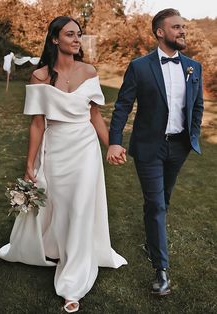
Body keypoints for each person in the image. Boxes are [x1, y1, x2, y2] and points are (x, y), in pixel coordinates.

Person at [0, 16, 127, 313]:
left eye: (79, 34)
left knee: (80, 208)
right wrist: (29, 164)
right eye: (70, 34)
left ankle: (73, 281)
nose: (77, 39)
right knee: (58, 204)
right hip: (55, 149)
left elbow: (95, 116)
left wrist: (113, 144)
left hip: (85, 149)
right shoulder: (39, 76)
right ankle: (54, 248)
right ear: (55, 39)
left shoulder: (89, 71)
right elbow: (37, 125)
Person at [107, 8, 203, 296]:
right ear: (160, 32)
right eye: (176, 27)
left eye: (183, 27)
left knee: (162, 200)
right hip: (148, 146)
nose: (182, 31)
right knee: (158, 204)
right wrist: (114, 141)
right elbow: (123, 105)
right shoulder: (139, 66)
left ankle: (153, 237)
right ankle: (161, 271)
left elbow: (196, 106)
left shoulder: (193, 67)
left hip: (179, 147)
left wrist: (192, 135)